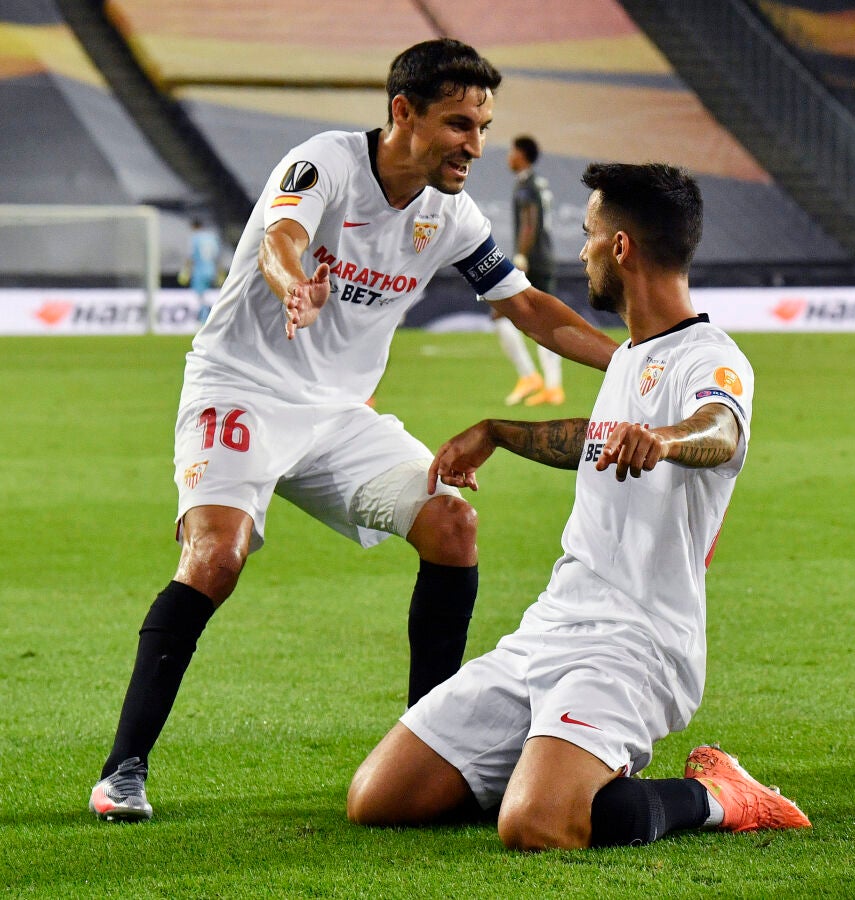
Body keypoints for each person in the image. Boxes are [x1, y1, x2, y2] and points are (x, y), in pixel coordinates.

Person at [88, 39, 619, 823]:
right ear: (404, 111)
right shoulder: (325, 164)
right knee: (216, 556)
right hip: (241, 389)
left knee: (452, 526)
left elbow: (526, 306)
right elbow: (281, 239)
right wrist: (294, 287)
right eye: (458, 124)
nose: (475, 145)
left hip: (339, 415)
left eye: (482, 127)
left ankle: (431, 755)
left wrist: (633, 363)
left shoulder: (451, 215)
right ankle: (122, 771)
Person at [345, 162, 810, 851]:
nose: (584, 250)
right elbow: (597, 442)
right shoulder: (629, 358)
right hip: (552, 626)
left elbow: (722, 430)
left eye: (591, 234)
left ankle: (719, 795)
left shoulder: (711, 358)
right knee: (380, 798)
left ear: (621, 247)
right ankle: (557, 768)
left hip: (636, 645)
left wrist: (666, 439)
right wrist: (499, 432)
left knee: (536, 825)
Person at [499, 134, 566, 406]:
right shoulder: (538, 183)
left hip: (532, 261)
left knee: (501, 313)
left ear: (522, 155)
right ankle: (552, 387)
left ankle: (530, 377)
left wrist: (521, 256)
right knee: (544, 321)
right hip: (544, 258)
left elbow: (530, 222)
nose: (508, 157)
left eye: (512, 151)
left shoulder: (526, 185)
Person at [180, 218, 222, 324]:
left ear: (194, 227)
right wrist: (219, 272)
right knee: (210, 294)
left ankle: (204, 318)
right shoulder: (211, 237)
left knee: (200, 295)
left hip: (199, 271)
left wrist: (185, 271)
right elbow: (217, 256)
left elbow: (190, 256)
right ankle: (213, 315)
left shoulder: (194, 238)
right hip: (211, 269)